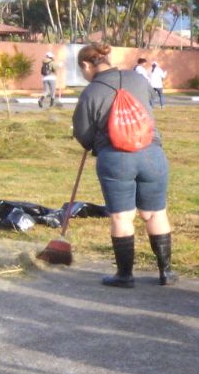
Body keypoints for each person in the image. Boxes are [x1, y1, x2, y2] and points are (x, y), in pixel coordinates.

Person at [72, 43, 177, 288]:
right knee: (155, 213)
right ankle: (167, 272)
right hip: (152, 154)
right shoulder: (138, 79)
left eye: (82, 70)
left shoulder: (90, 93)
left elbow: (84, 135)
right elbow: (149, 105)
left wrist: (93, 143)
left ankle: (124, 275)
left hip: (116, 159)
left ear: (87, 65)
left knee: (121, 217)